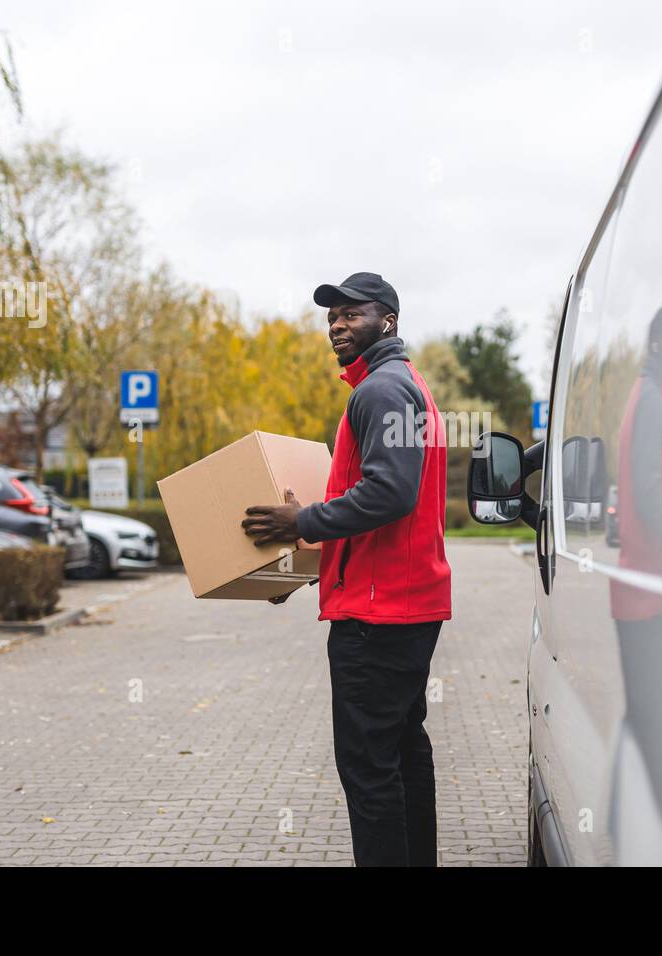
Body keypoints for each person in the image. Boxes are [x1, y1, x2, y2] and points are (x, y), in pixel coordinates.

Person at [241, 271, 452, 866]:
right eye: (332, 317)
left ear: (388, 320)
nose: (337, 325)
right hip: (403, 603)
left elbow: (390, 494)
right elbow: (383, 515)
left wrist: (300, 523)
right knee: (403, 753)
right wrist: (303, 564)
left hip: (378, 616)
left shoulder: (380, 391)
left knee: (368, 768)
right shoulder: (404, 385)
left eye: (351, 314)